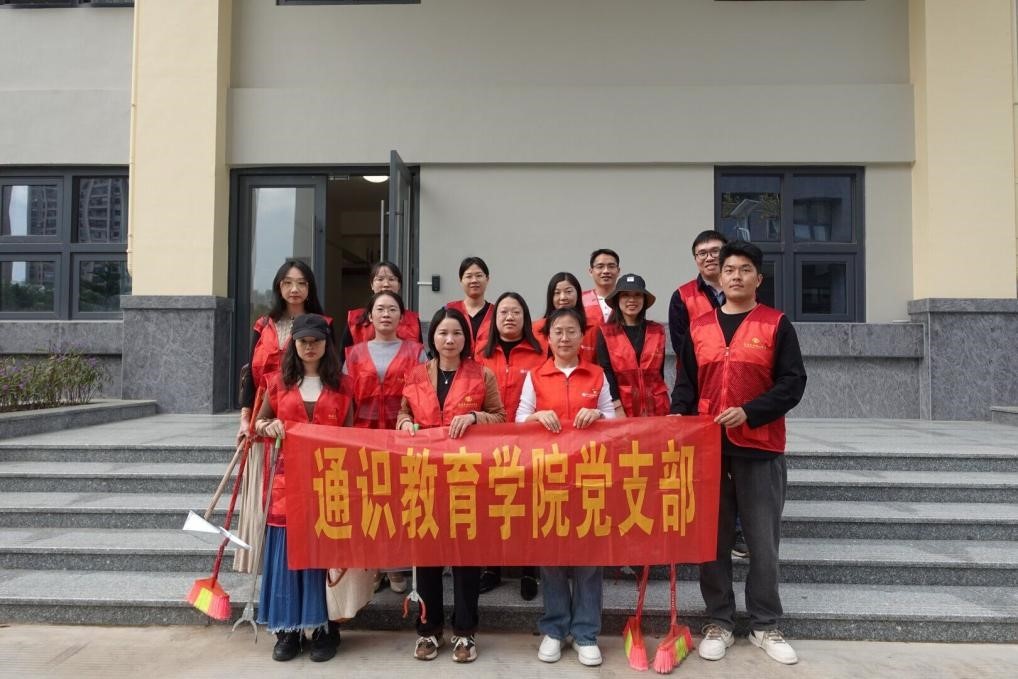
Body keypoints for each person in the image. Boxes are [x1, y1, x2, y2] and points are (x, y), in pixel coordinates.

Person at [670, 241, 806, 666]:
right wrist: (677, 418)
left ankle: (766, 623)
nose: (735, 276)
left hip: (759, 448)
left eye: (745, 269)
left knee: (763, 542)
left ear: (758, 279)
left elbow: (792, 383)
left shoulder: (776, 324)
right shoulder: (700, 327)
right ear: (719, 276)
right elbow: (686, 384)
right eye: (729, 269)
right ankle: (719, 621)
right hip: (709, 449)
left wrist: (750, 411)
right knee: (712, 541)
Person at [396, 307, 507, 663]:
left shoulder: (482, 374)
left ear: (466, 339)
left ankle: (465, 632)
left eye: (457, 333)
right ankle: (428, 630)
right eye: (443, 333)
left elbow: (501, 418)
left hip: (466, 477)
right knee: (426, 556)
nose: (449, 339)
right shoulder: (416, 375)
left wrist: (475, 417)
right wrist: (405, 424)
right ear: (433, 337)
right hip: (424, 476)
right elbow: (403, 413)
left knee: (465, 557)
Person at [516, 306, 615, 668]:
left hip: (589, 475)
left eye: (571, 331)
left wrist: (599, 415)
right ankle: (555, 628)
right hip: (549, 477)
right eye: (557, 331)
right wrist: (536, 416)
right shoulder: (536, 376)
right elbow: (517, 420)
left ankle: (587, 632)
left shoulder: (597, 374)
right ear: (548, 337)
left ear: (582, 335)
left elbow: (615, 421)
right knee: (552, 553)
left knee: (589, 556)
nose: (564, 338)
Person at [253, 314, 353, 663]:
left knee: (323, 557)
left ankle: (325, 629)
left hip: (329, 482)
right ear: (293, 345)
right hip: (287, 484)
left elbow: (352, 435)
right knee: (288, 558)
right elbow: (258, 423)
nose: (310, 347)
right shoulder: (277, 383)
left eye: (316, 341)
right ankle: (288, 631)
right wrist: (269, 426)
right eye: (303, 341)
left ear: (327, 344)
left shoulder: (343, 385)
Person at [668, 231, 748, 556]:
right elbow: (684, 352)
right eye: (702, 253)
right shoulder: (682, 296)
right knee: (705, 468)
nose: (709, 257)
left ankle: (739, 532)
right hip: (701, 395)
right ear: (695, 260)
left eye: (715, 251)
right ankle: (705, 529)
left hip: (740, 397)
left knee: (739, 468)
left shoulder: (743, 290)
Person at [343, 290, 427, 595]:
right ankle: (374, 566)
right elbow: (344, 398)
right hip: (364, 438)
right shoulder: (353, 354)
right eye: (380, 309)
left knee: (398, 502)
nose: (386, 314)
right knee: (370, 502)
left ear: (402, 317)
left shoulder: (416, 352)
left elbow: (424, 395)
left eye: (392, 309)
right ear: (370, 316)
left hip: (401, 437)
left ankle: (395, 566)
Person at [475, 291, 546, 600]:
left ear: (525, 317)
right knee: (492, 503)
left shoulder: (540, 352)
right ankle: (492, 567)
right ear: (494, 319)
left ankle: (529, 569)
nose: (509, 317)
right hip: (488, 439)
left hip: (528, 438)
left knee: (528, 504)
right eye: (503, 312)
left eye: (516, 312)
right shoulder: (480, 353)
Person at [238, 259, 331, 442]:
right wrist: (245, 418)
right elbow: (250, 373)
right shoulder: (263, 325)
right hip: (262, 413)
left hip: (302, 411)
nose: (294, 289)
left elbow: (329, 368)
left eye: (301, 283)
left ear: (310, 288)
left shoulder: (323, 325)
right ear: (278, 287)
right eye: (287, 283)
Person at [596, 273, 669, 418]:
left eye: (637, 295)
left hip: (658, 407)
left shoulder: (657, 330)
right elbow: (606, 372)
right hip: (624, 407)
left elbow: (659, 374)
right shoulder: (606, 332)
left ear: (644, 300)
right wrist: (616, 406)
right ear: (617, 299)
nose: (631, 300)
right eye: (625, 295)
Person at [339, 261, 422, 359]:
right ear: (372, 285)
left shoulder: (413, 320)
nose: (386, 284)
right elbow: (344, 359)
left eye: (391, 279)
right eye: (380, 279)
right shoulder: (355, 320)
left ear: (399, 285)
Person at [533, 271, 598, 363]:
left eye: (568, 291)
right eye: (557, 293)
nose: (563, 297)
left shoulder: (593, 327)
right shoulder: (536, 328)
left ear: (578, 294)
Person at [445, 256, 493, 358]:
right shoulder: (449, 310)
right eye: (469, 276)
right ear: (461, 280)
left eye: (479, 275)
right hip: (456, 365)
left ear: (487, 279)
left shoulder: (497, 313)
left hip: (488, 367)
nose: (474, 280)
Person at [582, 248, 621, 326]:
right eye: (600, 266)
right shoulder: (580, 299)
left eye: (611, 266)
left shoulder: (626, 299)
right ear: (591, 271)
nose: (606, 271)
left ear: (618, 271)